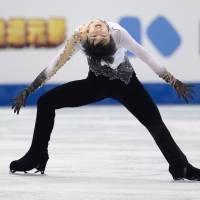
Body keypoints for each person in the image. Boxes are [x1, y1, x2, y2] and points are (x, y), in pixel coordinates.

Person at [10, 19, 199, 181]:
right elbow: (56, 64)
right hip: (96, 84)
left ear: (109, 34)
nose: (97, 32)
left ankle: (180, 166)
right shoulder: (83, 37)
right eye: (94, 37)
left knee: (154, 122)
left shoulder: (115, 33)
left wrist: (171, 80)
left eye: (99, 35)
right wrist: (29, 90)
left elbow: (144, 55)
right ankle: (36, 155)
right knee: (45, 102)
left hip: (126, 83)